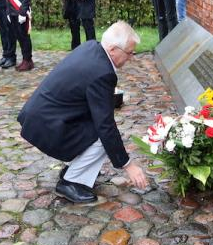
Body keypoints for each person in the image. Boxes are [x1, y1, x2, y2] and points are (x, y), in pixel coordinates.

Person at [18, 21, 148, 203]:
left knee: (99, 131)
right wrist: (128, 165)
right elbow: (106, 126)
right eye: (129, 53)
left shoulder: (91, 47)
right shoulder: (103, 72)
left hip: (43, 117)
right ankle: (71, 182)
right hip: (48, 126)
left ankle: (74, 170)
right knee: (104, 138)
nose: (131, 58)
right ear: (112, 49)